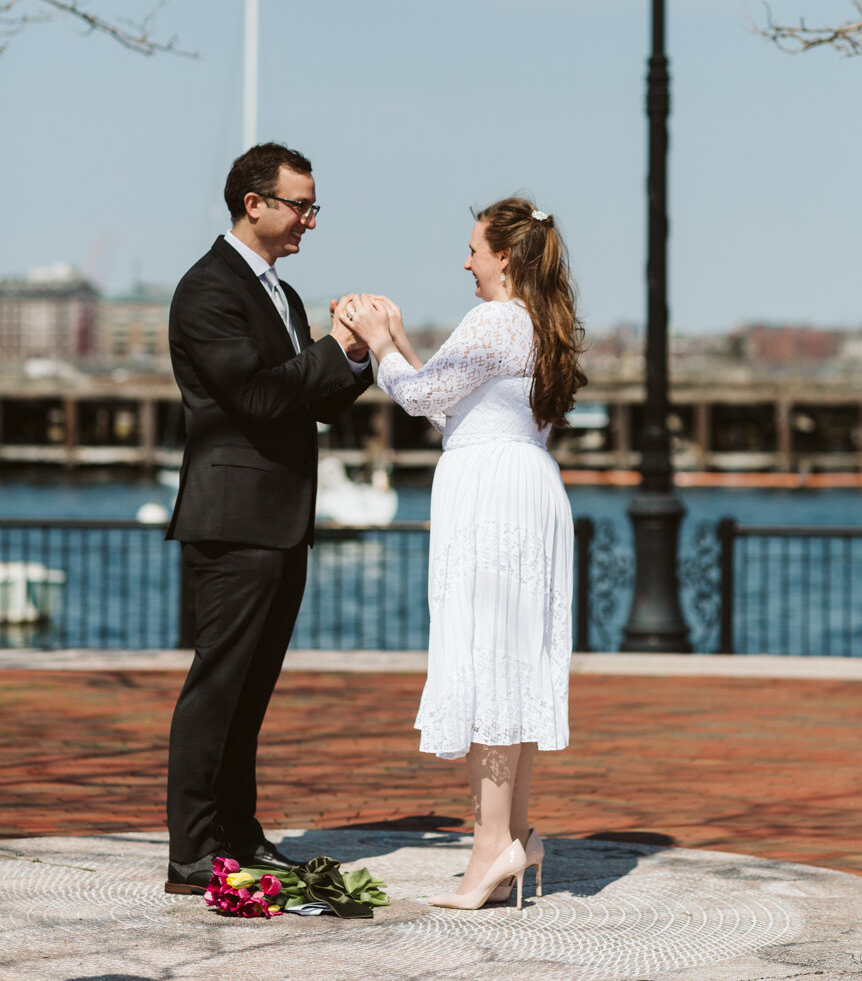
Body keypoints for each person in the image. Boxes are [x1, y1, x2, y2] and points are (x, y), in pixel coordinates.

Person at [344, 195, 586, 911]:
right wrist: (405, 352)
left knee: (487, 661)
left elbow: (420, 398)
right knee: (511, 661)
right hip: (524, 484)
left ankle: (490, 848)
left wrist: (381, 339)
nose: (466, 261)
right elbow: (456, 406)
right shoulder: (540, 326)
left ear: (504, 256)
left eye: (475, 249)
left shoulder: (495, 318)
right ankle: (512, 833)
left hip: (492, 496)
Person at [164, 142, 374, 895]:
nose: (309, 221)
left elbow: (307, 402)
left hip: (282, 518)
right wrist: (333, 347)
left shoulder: (279, 294)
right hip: (234, 520)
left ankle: (239, 832)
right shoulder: (208, 290)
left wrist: (355, 358)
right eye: (300, 206)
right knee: (217, 688)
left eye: (314, 207)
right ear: (255, 203)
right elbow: (252, 397)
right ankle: (191, 854)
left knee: (250, 694)